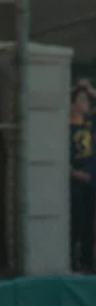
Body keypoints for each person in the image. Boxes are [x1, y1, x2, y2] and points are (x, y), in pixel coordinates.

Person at [69, 81, 96, 272]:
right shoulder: (66, 125)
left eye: (87, 100)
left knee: (89, 223)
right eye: (81, 100)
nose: (85, 103)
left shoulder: (90, 123)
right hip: (75, 180)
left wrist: (89, 90)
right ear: (72, 104)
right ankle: (73, 260)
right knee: (76, 221)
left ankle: (88, 261)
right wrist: (74, 173)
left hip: (91, 179)